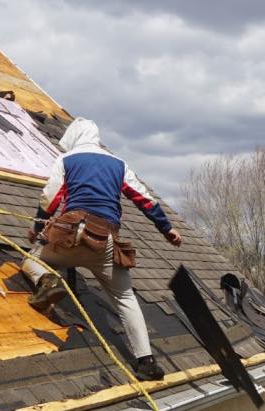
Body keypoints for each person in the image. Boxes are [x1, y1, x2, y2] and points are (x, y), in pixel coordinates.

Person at [23, 118, 183, 381]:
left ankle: (48, 280)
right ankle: (146, 361)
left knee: (31, 260)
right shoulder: (118, 164)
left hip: (70, 236)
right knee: (125, 297)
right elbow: (144, 199)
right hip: (104, 241)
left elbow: (51, 197)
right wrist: (167, 229)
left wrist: (37, 227)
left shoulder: (68, 160)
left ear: (74, 138)